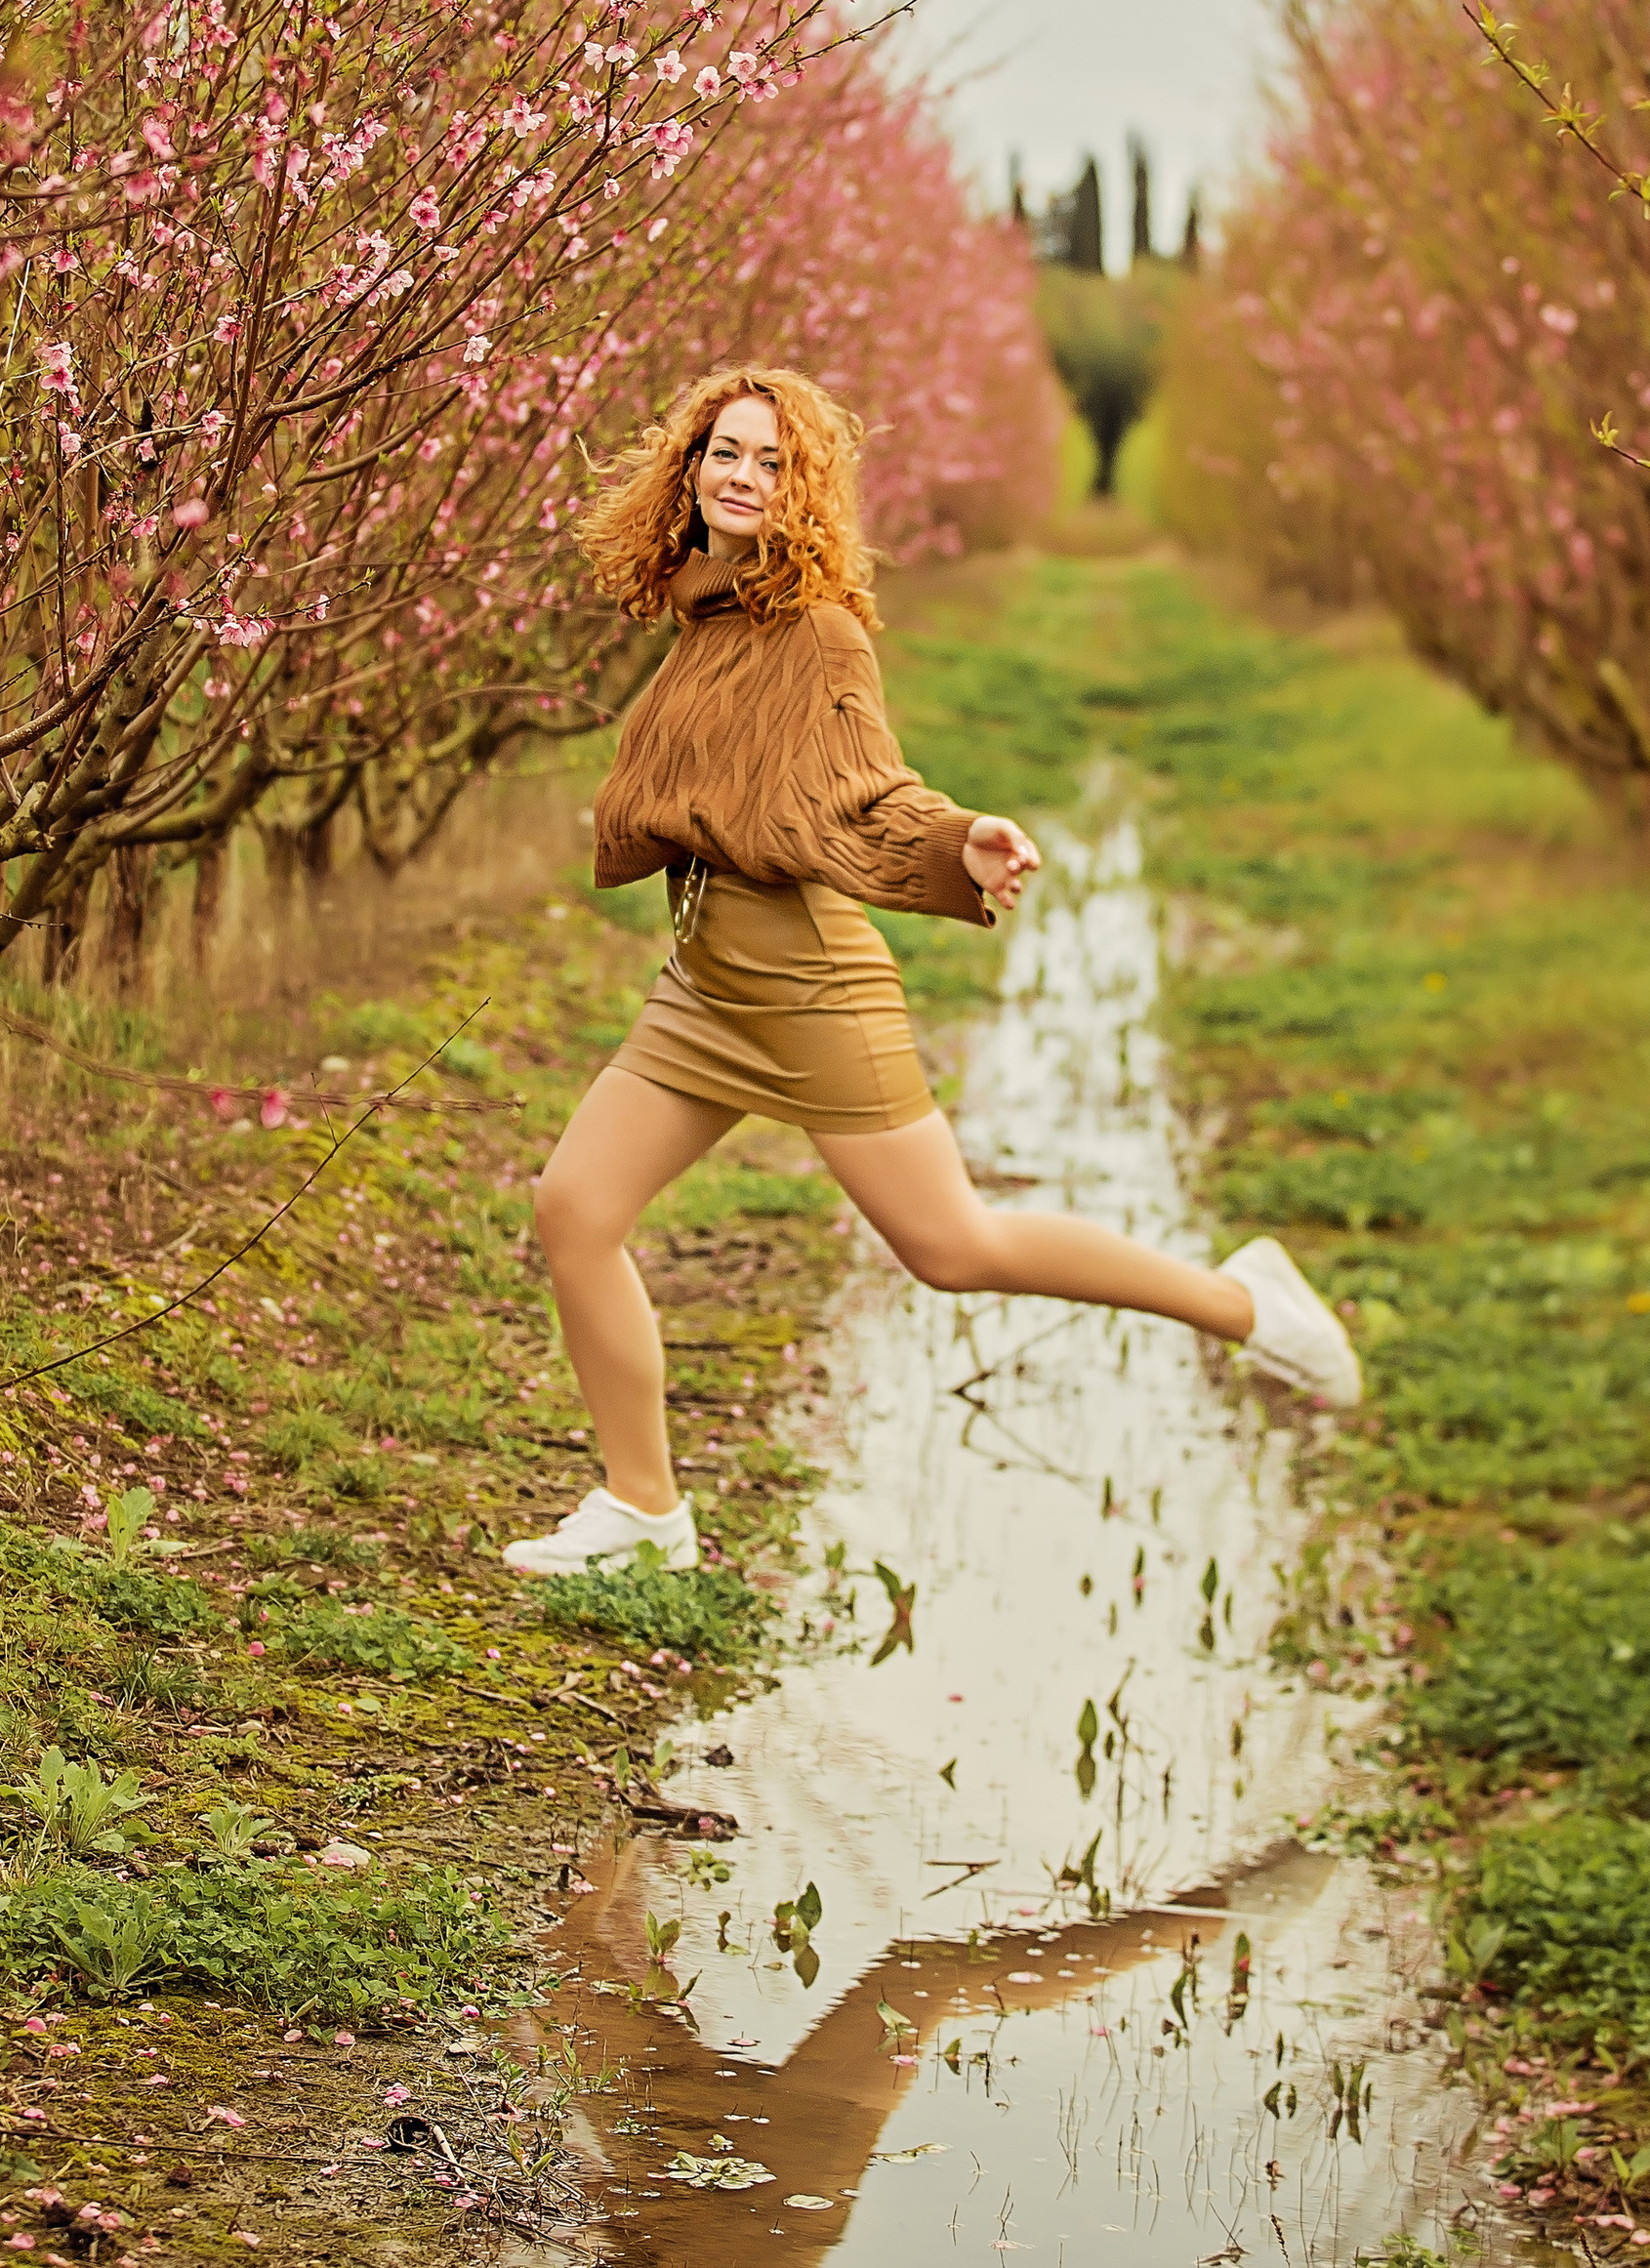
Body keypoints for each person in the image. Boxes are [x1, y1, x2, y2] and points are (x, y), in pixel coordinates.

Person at [504, 365, 1360, 1580]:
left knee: (953, 1247)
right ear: (689, 468)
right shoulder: (706, 610)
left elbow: (867, 784)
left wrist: (959, 839)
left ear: (804, 488)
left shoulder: (813, 632)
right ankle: (644, 1511)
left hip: (803, 985)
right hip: (705, 984)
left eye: (769, 461)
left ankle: (1244, 1306)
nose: (740, 477)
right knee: (574, 1211)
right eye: (724, 452)